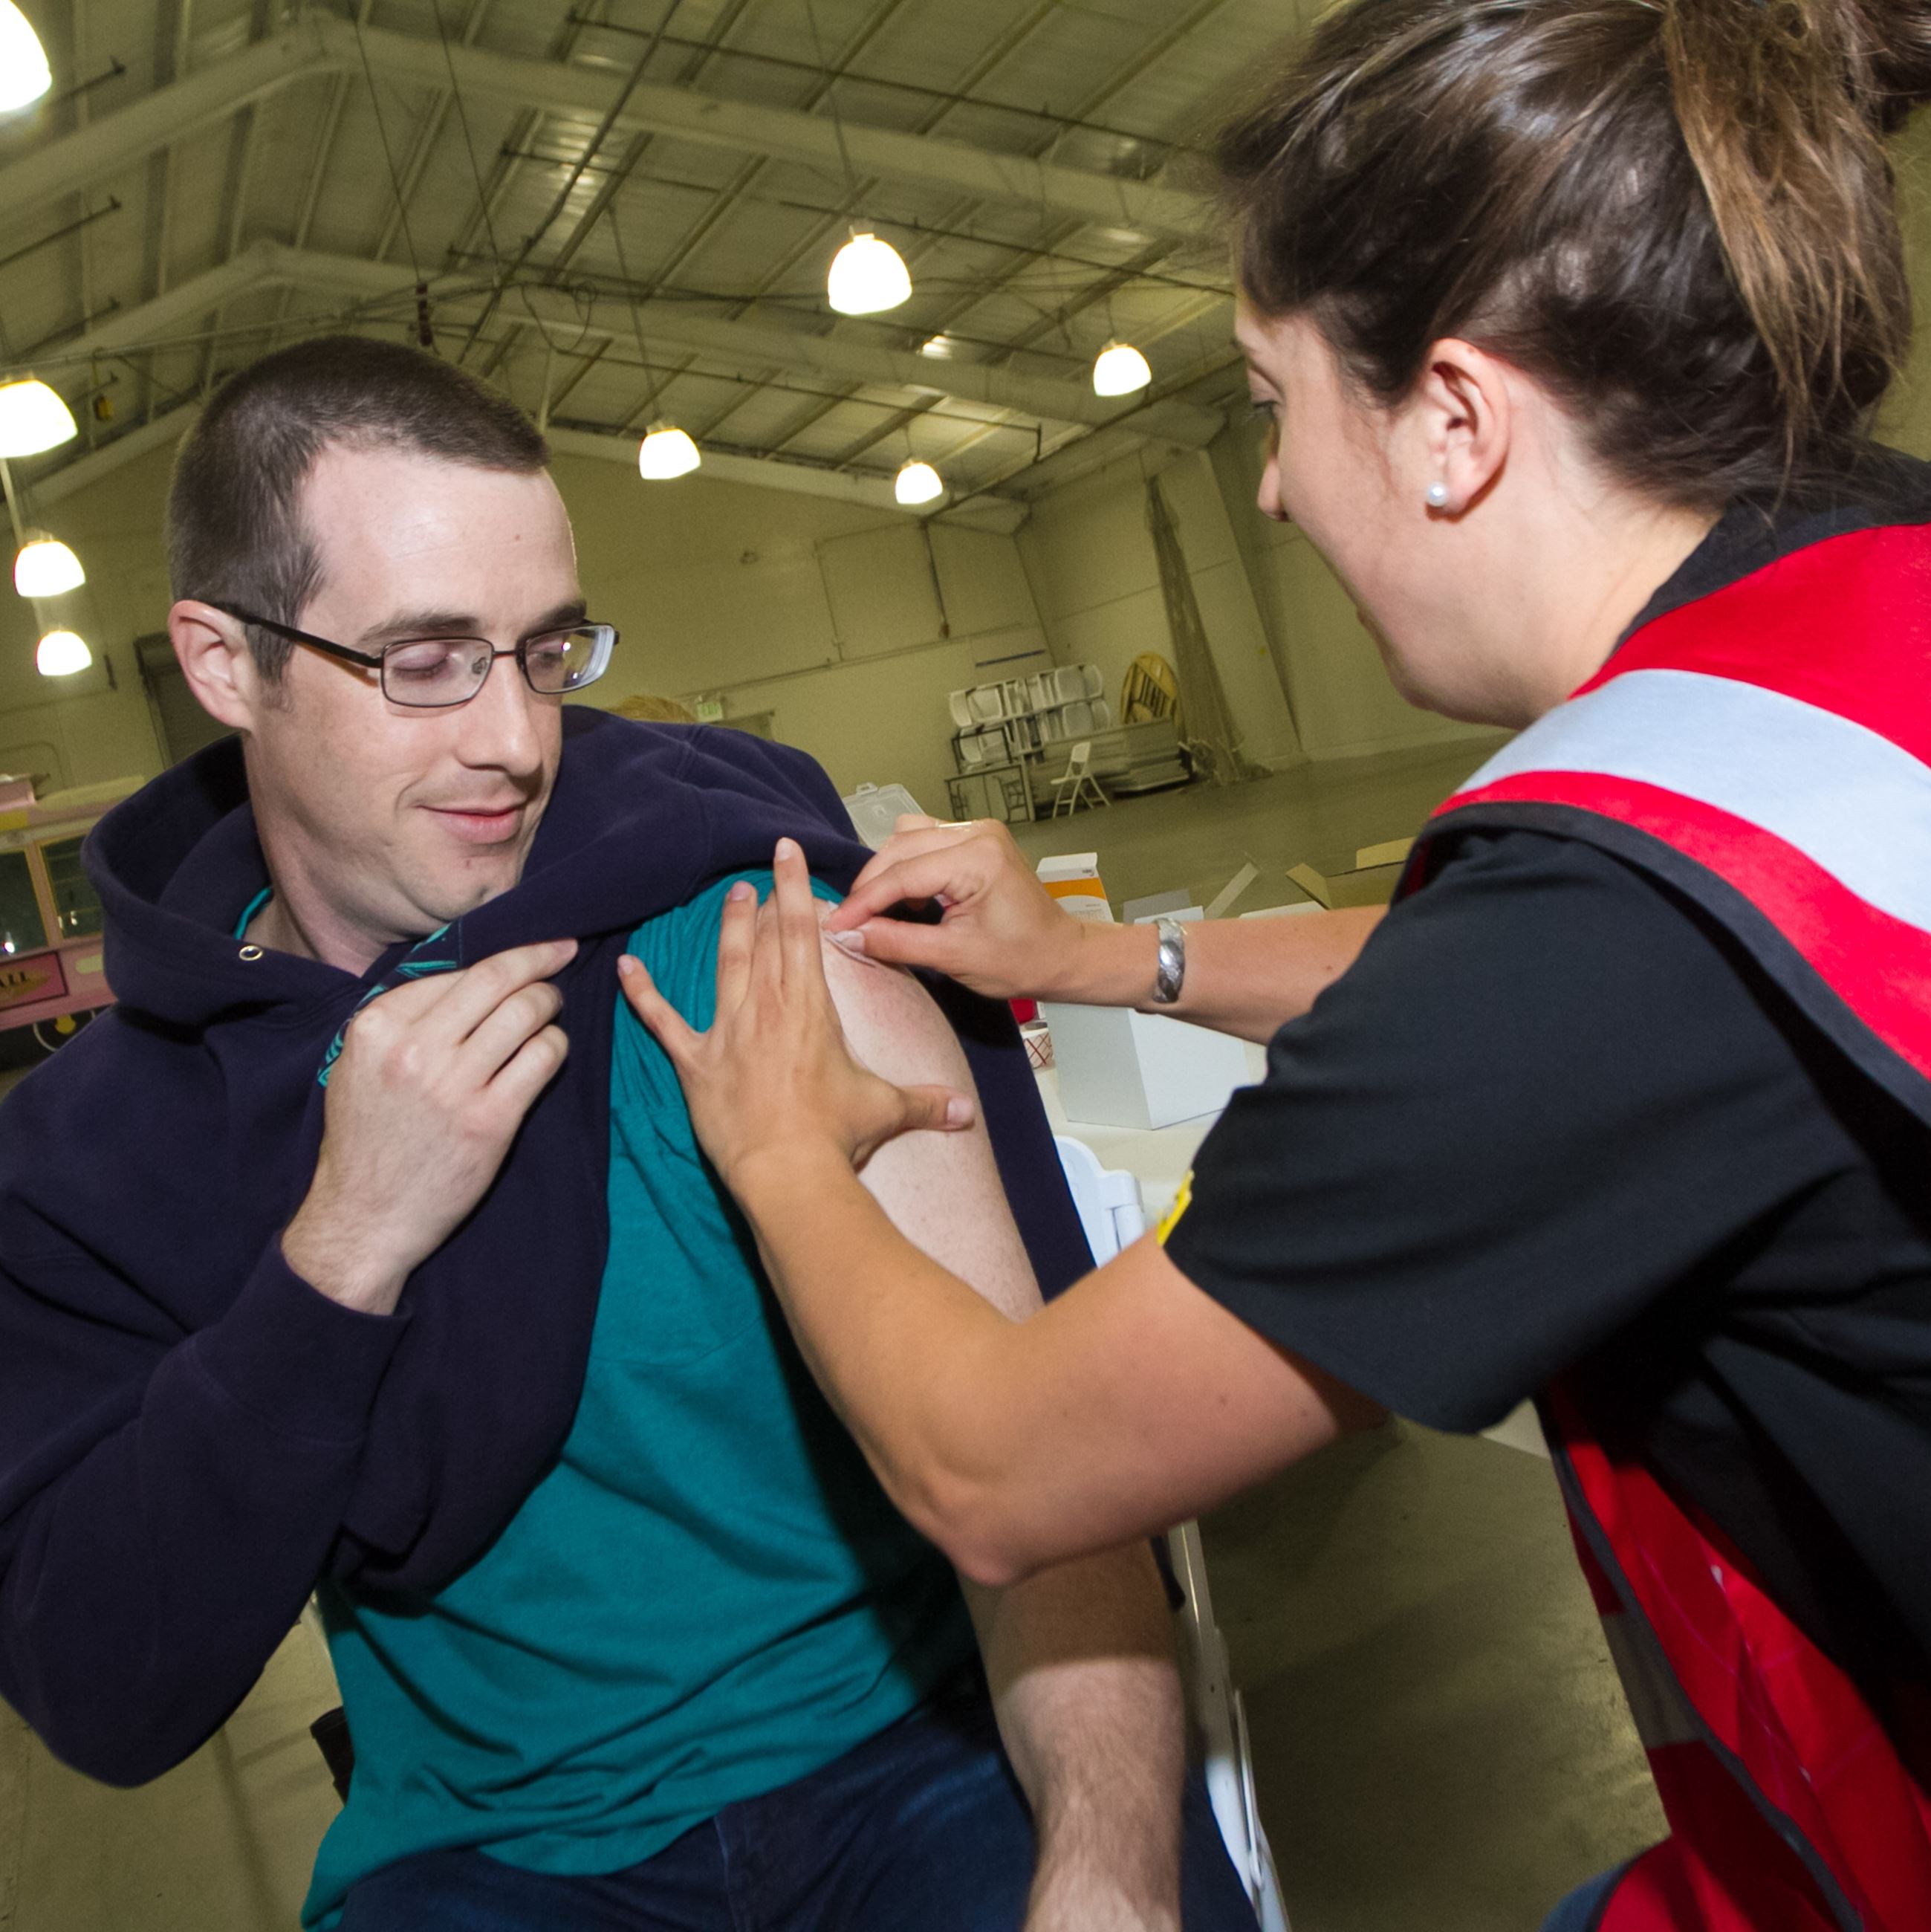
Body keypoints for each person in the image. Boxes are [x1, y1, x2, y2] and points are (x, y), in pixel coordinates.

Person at [615, 2, 1931, 1928]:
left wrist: (787, 1157)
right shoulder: (1844, 613)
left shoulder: (1591, 935)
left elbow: (1001, 1469)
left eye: (1272, 396)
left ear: (1456, 422)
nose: (1272, 488)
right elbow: (1548, 1006)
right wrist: (1096, 952)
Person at [0, 337, 1261, 1932]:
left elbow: (1041, 1481)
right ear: (224, 659)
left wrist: (1102, 1876)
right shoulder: (102, 1156)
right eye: (427, 661)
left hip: (907, 1754)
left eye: (543, 652)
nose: (516, 740)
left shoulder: (744, 934)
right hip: (494, 1855)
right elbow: (108, 1678)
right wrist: (342, 1249)